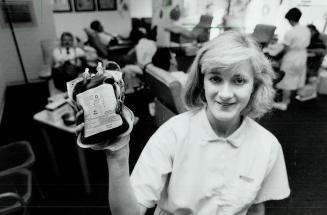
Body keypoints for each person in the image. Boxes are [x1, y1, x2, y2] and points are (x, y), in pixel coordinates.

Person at [75, 31, 290, 215]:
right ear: (202, 81)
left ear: (255, 85)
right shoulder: (173, 133)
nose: (225, 94)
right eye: (215, 78)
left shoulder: (267, 146)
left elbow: (255, 209)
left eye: (239, 80)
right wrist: (117, 156)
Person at [273, 8, 311, 110]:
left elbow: (286, 48)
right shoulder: (306, 29)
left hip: (292, 56)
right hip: (302, 56)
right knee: (295, 77)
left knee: (286, 79)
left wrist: (276, 55)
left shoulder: (291, 32)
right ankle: (288, 99)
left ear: (290, 20)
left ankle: (284, 103)